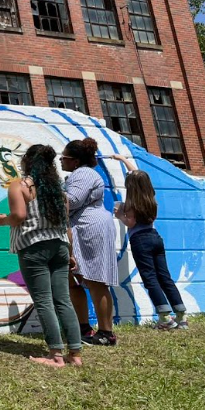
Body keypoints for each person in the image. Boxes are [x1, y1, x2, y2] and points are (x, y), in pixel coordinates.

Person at [0, 145, 82, 367]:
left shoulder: (19, 186)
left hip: (33, 247)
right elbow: (66, 226)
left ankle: (56, 356)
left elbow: (19, 216)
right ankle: (75, 355)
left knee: (43, 300)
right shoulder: (59, 192)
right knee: (63, 300)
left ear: (29, 162)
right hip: (60, 246)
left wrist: (3, 220)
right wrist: (70, 253)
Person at [111, 154, 188, 330]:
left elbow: (130, 223)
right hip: (155, 238)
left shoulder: (131, 203)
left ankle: (164, 317)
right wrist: (122, 159)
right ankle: (181, 316)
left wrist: (119, 214)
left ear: (131, 186)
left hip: (140, 240)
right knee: (164, 276)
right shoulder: (150, 199)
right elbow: (138, 175)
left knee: (150, 278)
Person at [61, 138, 119, 346]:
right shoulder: (78, 174)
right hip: (80, 229)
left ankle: (106, 333)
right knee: (73, 281)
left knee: (96, 280)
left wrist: (47, 192)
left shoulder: (83, 173)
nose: (60, 160)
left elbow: (72, 200)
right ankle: (84, 328)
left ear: (75, 161)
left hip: (90, 229)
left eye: (64, 157)